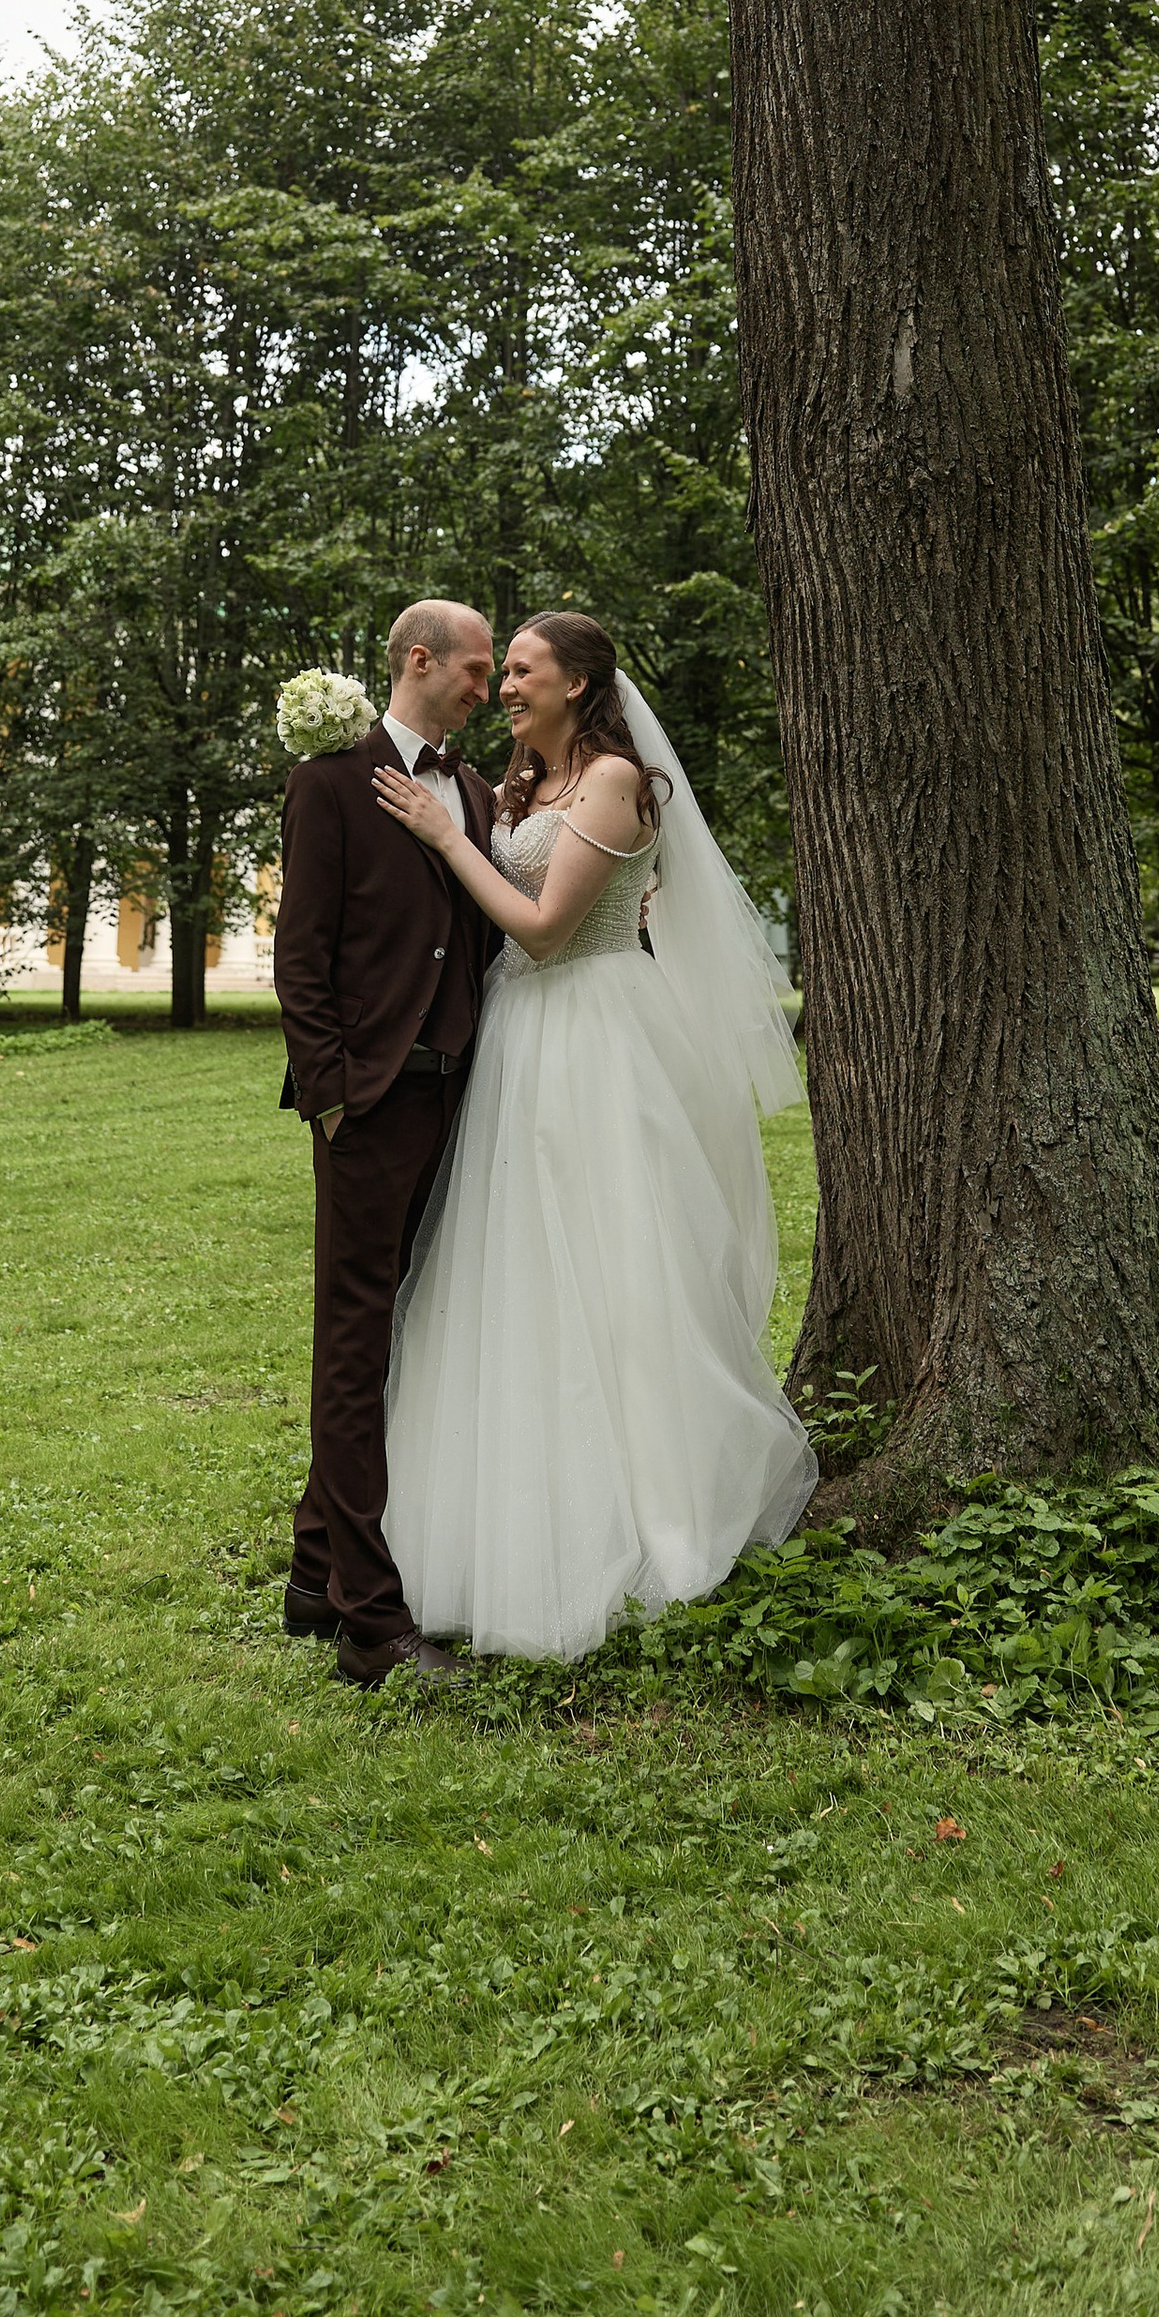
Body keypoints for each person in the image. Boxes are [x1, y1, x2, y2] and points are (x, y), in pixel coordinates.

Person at [371, 609, 816, 1663]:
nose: (503, 688)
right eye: (499, 672)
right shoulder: (526, 784)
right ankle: (506, 1515)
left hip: (594, 1036)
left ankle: (644, 1513)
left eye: (521, 670)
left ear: (576, 683)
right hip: (519, 1038)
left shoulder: (613, 780)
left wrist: (444, 835)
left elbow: (543, 930)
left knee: (615, 1270)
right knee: (518, 1267)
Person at [273, 598, 500, 1688]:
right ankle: (371, 1621)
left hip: (459, 1099)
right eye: (476, 669)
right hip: (368, 1105)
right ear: (421, 659)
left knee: (404, 1333)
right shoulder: (329, 781)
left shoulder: (478, 792)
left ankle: (315, 1574)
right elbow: (301, 953)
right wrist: (331, 1097)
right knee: (356, 1347)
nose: (487, 689)